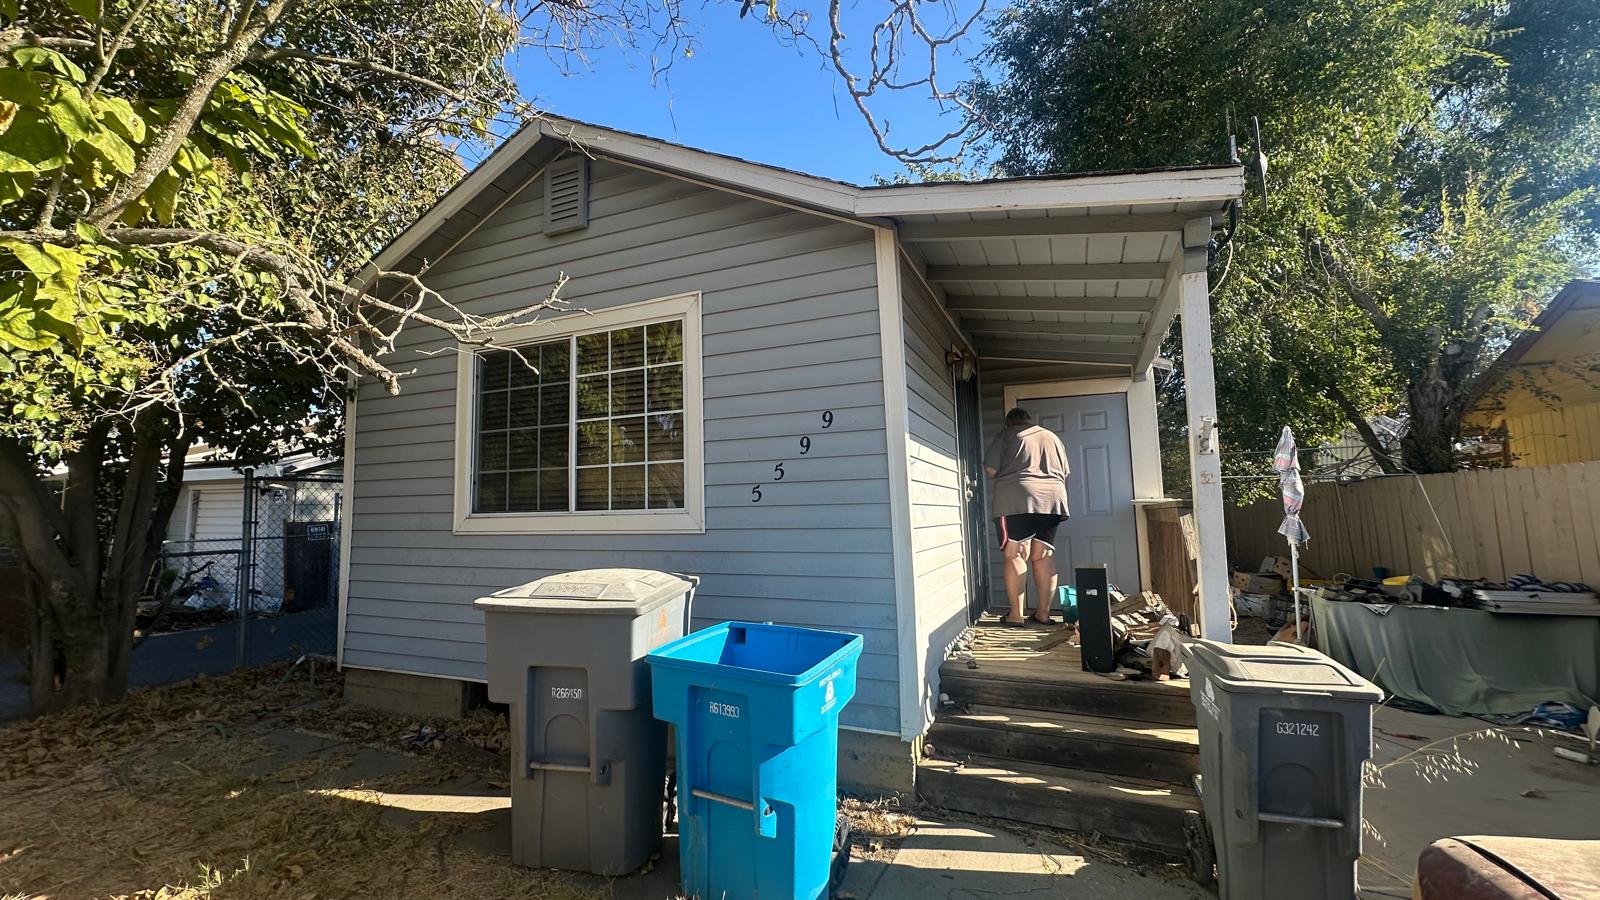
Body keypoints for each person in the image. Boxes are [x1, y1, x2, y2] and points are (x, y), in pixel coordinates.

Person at [984, 407, 1070, 626]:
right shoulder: (1053, 437)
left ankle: (1015, 615)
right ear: (1029, 420)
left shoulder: (1007, 434)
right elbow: (1065, 472)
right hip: (1053, 500)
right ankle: (1043, 614)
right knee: (1044, 556)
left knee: (1016, 554)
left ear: (1009, 423)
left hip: (1016, 499)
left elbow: (991, 471)